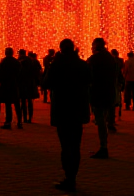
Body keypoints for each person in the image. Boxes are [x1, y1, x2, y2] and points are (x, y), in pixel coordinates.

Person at [41, 39, 91, 192]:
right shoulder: (83, 65)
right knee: (75, 145)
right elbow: (90, 81)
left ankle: (69, 177)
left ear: (61, 49)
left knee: (66, 145)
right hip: (78, 109)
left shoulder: (57, 65)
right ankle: (72, 176)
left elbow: (46, 84)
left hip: (62, 109)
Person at [87, 38, 117, 159]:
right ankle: (103, 146)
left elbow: (88, 76)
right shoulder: (111, 59)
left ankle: (103, 147)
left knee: (100, 121)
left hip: (98, 93)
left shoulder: (94, 59)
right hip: (109, 92)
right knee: (102, 120)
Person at [0, 47, 22, 130]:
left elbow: (0, 73)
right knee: (17, 104)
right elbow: (19, 73)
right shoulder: (16, 62)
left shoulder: (4, 61)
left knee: (8, 104)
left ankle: (8, 122)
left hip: (6, 85)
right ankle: (19, 122)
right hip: (14, 84)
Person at [19, 50, 42, 124]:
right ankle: (30, 118)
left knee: (23, 101)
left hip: (22, 83)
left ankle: (24, 118)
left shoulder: (19, 61)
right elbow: (36, 71)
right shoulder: (32, 61)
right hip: (30, 83)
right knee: (29, 101)